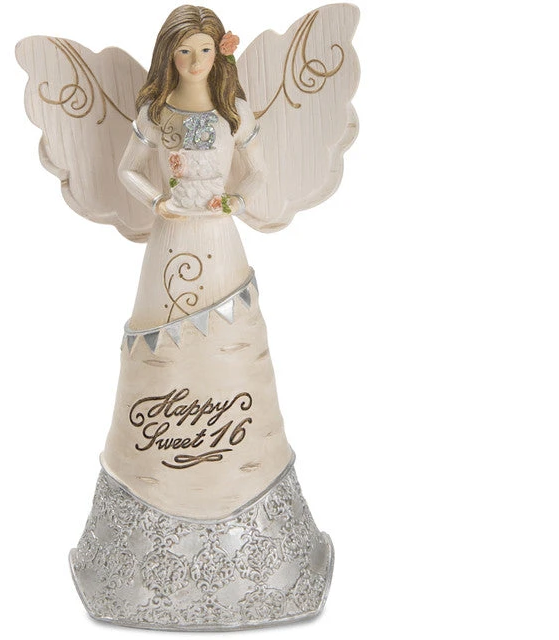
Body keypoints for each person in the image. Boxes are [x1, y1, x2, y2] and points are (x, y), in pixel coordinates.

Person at [70, 6, 333, 628]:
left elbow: (258, 169)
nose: (194, 62)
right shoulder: (154, 114)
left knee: (231, 342)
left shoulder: (233, 112)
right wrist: (156, 200)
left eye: (204, 51)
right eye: (184, 51)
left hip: (218, 237)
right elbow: (127, 169)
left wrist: (234, 200)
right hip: (170, 238)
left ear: (220, 55)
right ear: (169, 55)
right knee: (162, 348)